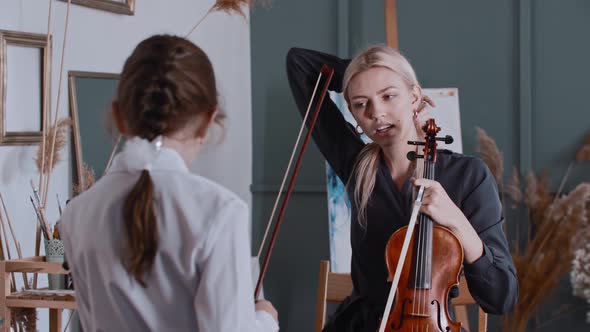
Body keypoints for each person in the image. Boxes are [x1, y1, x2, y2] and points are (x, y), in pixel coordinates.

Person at [286, 46, 518, 331]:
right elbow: (299, 64)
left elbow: (501, 297)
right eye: (361, 104)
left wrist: (456, 221)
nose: (377, 113)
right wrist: (362, 72)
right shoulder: (356, 166)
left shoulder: (468, 176)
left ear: (414, 96)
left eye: (389, 95)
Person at [60, 35, 279, 331]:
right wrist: (265, 319)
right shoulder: (221, 211)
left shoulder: (76, 214)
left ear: (119, 116)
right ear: (208, 120)